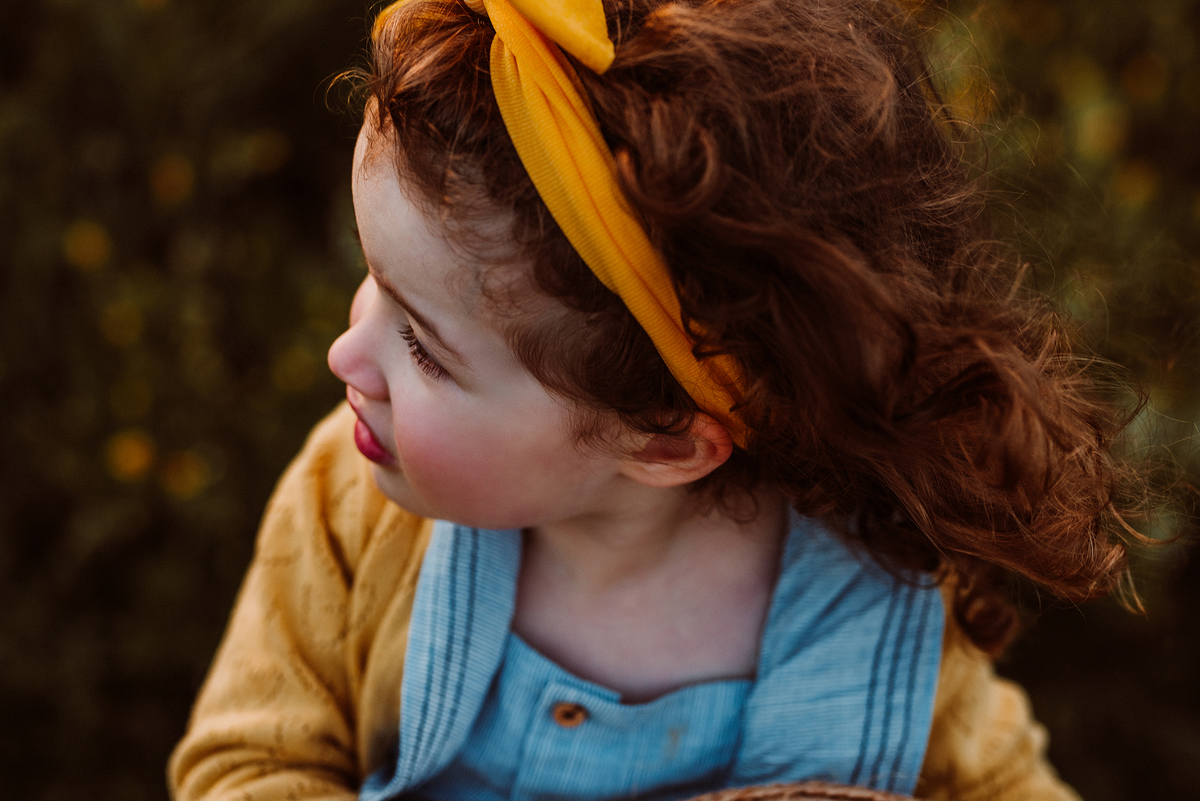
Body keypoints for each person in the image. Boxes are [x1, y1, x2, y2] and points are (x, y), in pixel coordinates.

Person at [168, 0, 1141, 799]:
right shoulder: (350, 510)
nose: (347, 352)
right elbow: (246, 766)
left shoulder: (868, 599)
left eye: (421, 343)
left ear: (668, 443)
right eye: (376, 284)